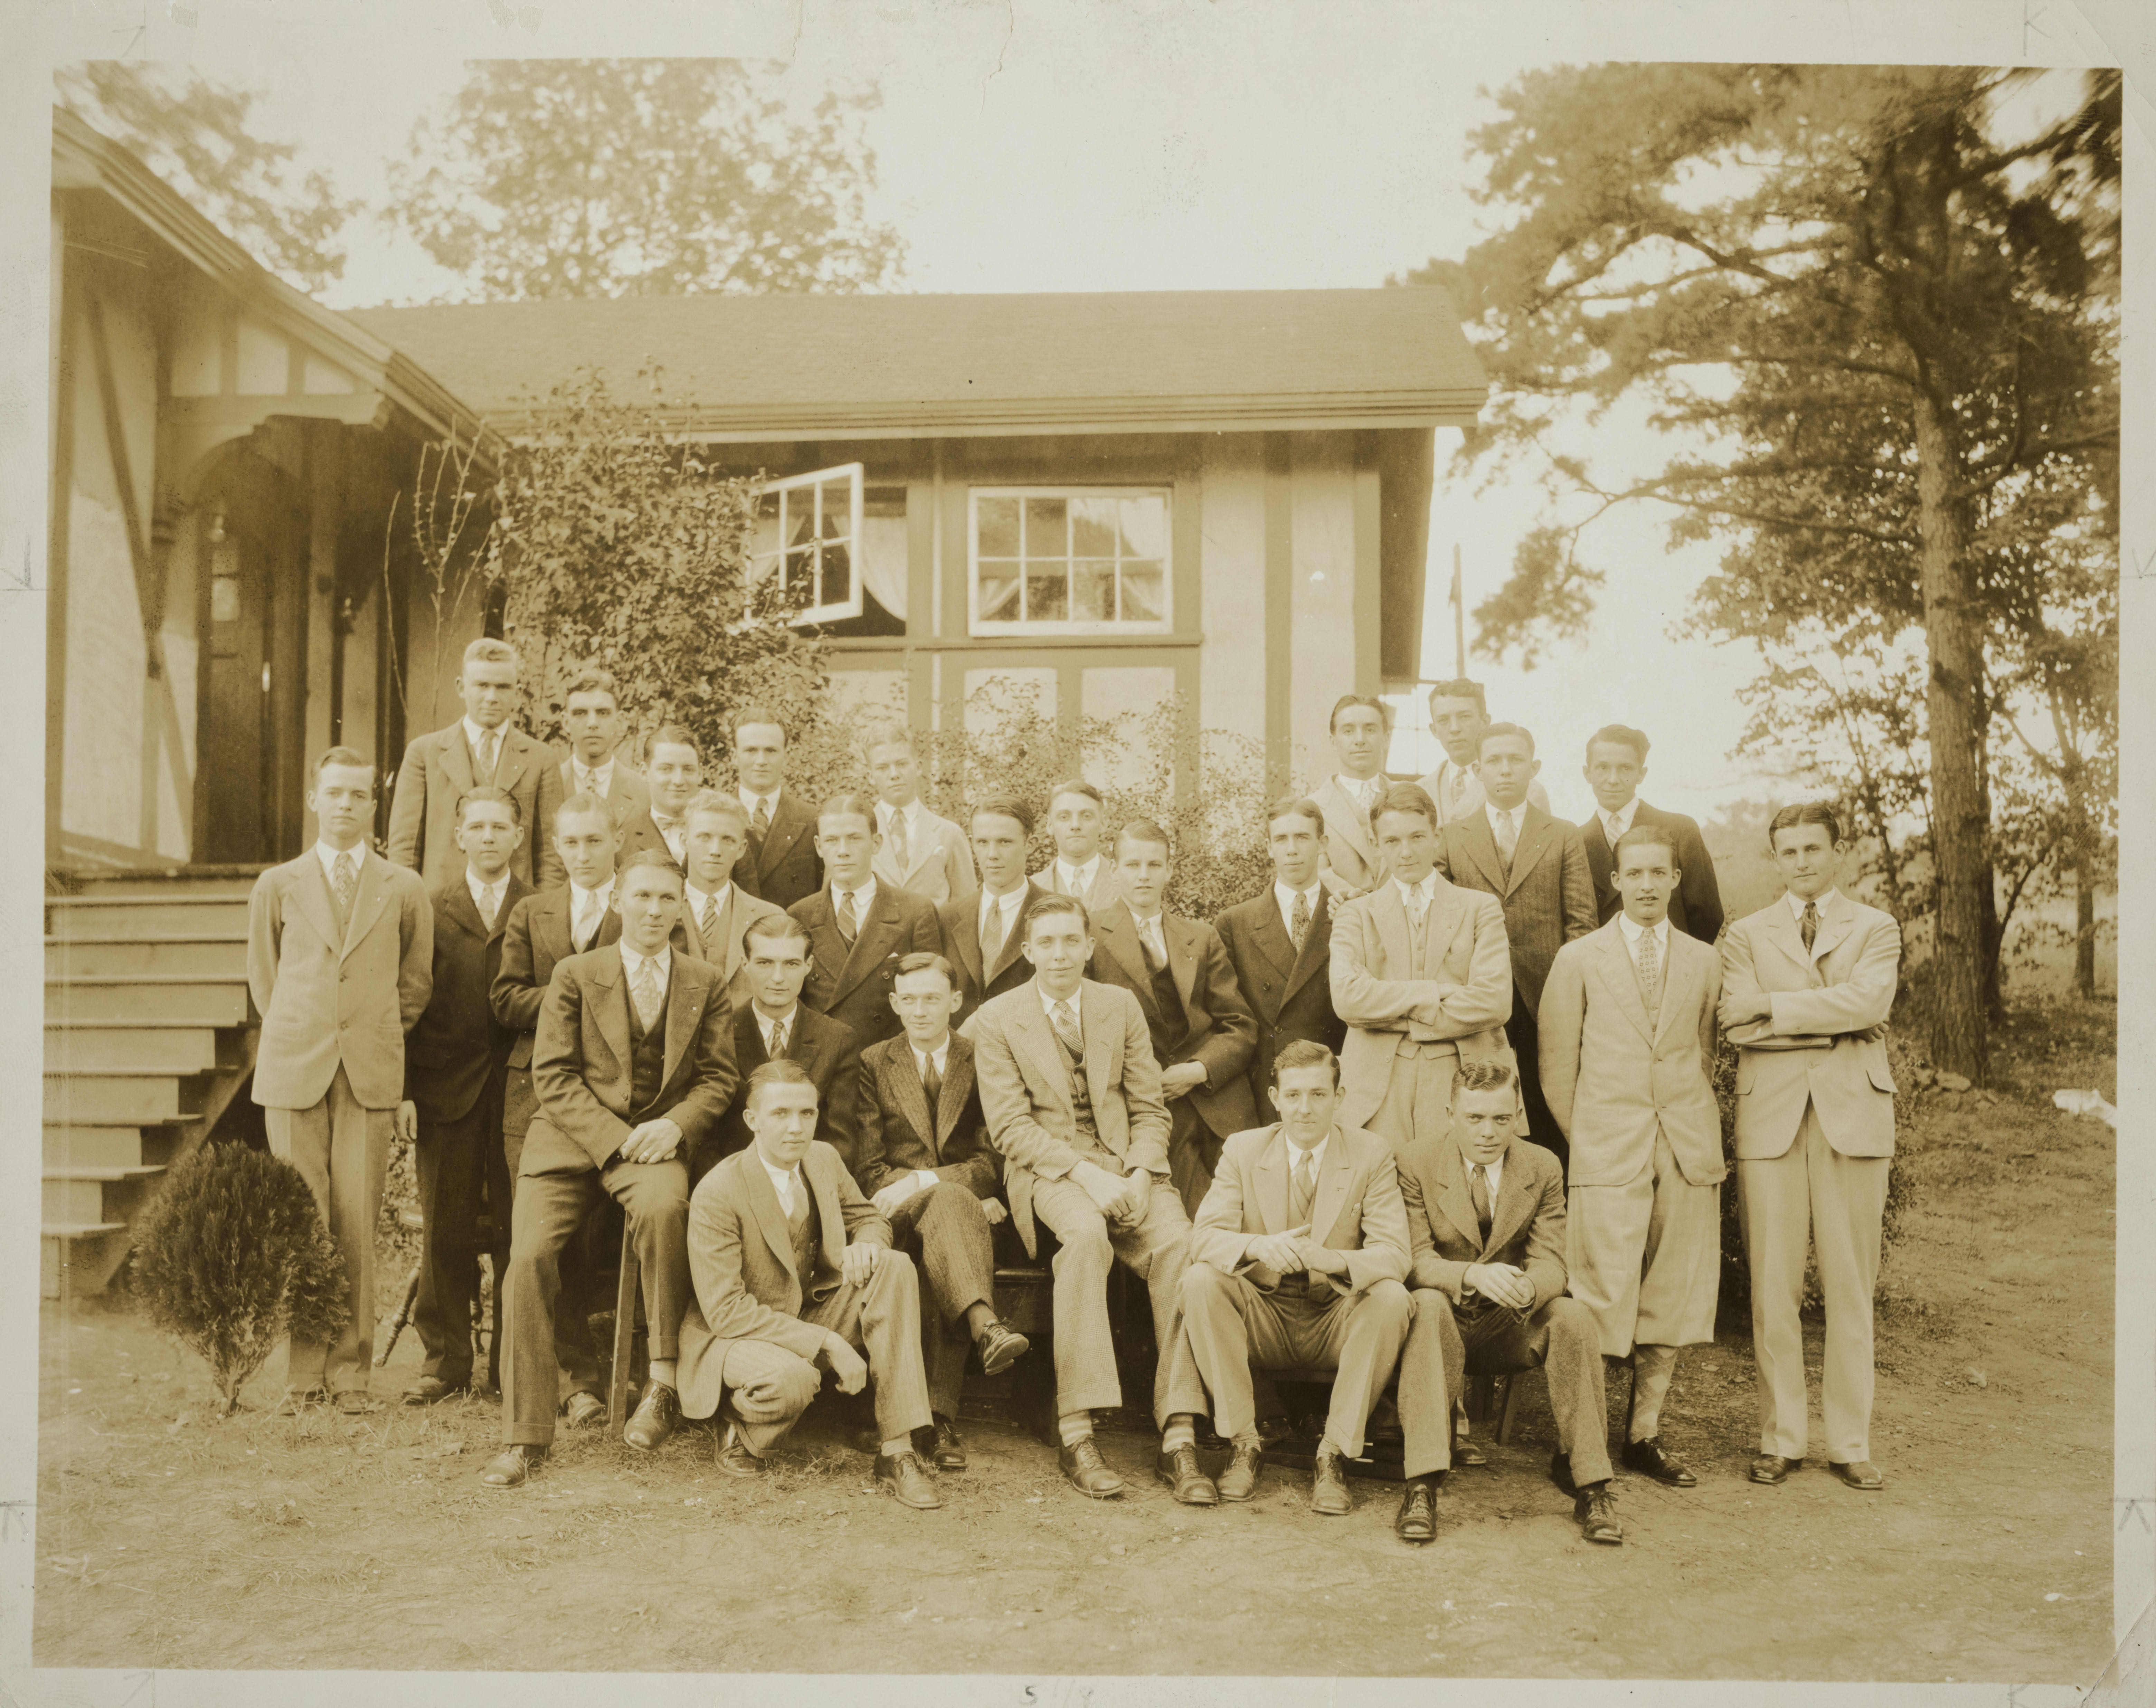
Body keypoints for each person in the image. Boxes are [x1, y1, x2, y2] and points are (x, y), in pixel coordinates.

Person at [481, 848, 739, 1489]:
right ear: (619, 900)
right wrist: (618, 1140)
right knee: (530, 1255)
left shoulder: (705, 979)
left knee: (664, 1209)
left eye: (666, 899)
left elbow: (719, 1076)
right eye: (643, 896)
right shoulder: (575, 972)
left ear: (681, 909)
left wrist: (675, 1125)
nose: (653, 910)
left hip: (656, 1142)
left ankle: (662, 1384)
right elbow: (553, 1075)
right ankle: (525, 1435)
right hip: (570, 1141)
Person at [966, 895, 1200, 1499]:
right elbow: (1012, 1128)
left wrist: (1144, 1173)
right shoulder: (998, 1018)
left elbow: (1150, 1107)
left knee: (1178, 1246)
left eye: (1072, 940)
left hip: (1128, 1165)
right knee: (1086, 1237)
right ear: (1027, 951)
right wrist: (1087, 1176)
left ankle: (1179, 1434)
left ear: (1090, 945)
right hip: (1048, 1170)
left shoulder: (1118, 1005)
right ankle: (1078, 1428)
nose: (1060, 954)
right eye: (1046, 942)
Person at [1720, 803, 1902, 1492]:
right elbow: (1736, 1024)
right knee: (1774, 1287)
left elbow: (1871, 1003)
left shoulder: (1876, 927)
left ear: (1840, 851)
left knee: (1851, 1284)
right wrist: (1833, 1022)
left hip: (1854, 1118)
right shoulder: (1745, 935)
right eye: (1788, 851)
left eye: (1813, 848)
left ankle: (1851, 1443)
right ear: (1775, 858)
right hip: (1771, 1120)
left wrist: (1776, 1008)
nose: (1801, 861)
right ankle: (1781, 1438)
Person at [1538, 823, 1725, 1488]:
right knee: (1597, 1292)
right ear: (1616, 882)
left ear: (1677, 879)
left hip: (1685, 1145)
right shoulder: (1580, 957)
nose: (1647, 885)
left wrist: (1678, 1120)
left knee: (1671, 1293)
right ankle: (1577, 1444)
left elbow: (1702, 1051)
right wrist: (1592, 1133)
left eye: (1660, 873)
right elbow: (1558, 1065)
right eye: (1634, 873)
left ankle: (1644, 1433)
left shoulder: (1705, 960)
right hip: (1607, 1148)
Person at [246, 747, 433, 1413]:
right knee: (305, 1220)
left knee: (357, 1219)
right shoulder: (278, 883)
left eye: (359, 794)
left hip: (369, 1072)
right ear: (313, 798)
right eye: (335, 792)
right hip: (296, 1065)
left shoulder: (403, 887)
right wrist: (307, 1029)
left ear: (374, 805)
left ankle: (351, 1372)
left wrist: (371, 1032)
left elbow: (414, 984)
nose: (347, 804)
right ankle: (303, 1374)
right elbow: (266, 980)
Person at [673, 1063, 944, 1507]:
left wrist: (868, 1244)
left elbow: (869, 1218)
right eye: (780, 1114)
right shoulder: (719, 1190)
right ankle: (735, 1419)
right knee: (792, 1381)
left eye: (807, 1113)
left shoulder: (822, 1159)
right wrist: (830, 1343)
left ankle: (897, 1451)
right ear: (752, 1121)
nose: (796, 1128)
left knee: (893, 1266)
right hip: (736, 1334)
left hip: (804, 1309)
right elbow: (725, 1311)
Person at [1162, 1042, 1415, 1516]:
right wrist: (1259, 1246)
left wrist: (1331, 1259)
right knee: (1200, 1280)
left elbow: (1396, 1253)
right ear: (1275, 1098)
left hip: (1334, 1318)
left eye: (1319, 1095)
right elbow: (1204, 1237)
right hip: (1266, 1317)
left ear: (1340, 1098)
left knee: (1392, 1298)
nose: (1306, 1109)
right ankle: (1245, 1442)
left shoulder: (1371, 1152)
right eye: (1294, 1095)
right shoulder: (1243, 1148)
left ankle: (1334, 1455)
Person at [1394, 1059, 1622, 1546]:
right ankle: (1422, 1484)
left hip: (1510, 1322)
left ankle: (1593, 1484)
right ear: (1450, 1112)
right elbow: (1413, 1260)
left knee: (1574, 1315)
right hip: (1444, 1324)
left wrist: (1530, 1287)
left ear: (1518, 1113)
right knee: (1429, 1305)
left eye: (1502, 1119)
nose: (1488, 1133)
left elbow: (1552, 1263)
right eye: (1474, 1118)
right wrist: (1472, 1275)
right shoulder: (1415, 1161)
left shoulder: (1541, 1166)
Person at [852, 952, 1031, 1470]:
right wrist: (932, 1189)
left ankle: (935, 1422)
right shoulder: (874, 1062)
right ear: (893, 1003)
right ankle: (985, 1330)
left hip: (963, 1219)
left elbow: (995, 1156)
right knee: (950, 1207)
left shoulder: (983, 1058)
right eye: (908, 1000)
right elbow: (869, 1169)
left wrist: (933, 1182)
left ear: (955, 1001)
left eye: (932, 998)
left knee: (941, 1245)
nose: (920, 1010)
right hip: (897, 1213)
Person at [489, 793, 622, 1429]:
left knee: (601, 1244)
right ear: (557, 846)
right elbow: (506, 998)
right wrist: (576, 990)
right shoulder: (532, 910)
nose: (582, 853)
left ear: (614, 841)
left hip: (616, 1099)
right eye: (571, 842)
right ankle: (570, 1383)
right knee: (542, 1243)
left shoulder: (640, 908)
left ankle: (620, 1369)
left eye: (594, 840)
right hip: (536, 1097)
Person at [399, 786, 532, 1403]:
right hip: (445, 1089)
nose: (487, 836)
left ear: (518, 834)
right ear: (458, 836)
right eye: (476, 826)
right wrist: (405, 1089)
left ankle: (510, 1362)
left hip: (518, 1093)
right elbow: (407, 1001)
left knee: (515, 1227)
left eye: (499, 826)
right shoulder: (429, 906)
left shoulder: (538, 909)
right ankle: (446, 1360)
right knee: (445, 1228)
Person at [1436, 722, 1597, 1174]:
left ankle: (1552, 1224)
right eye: (1494, 761)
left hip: (1549, 1000)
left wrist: (1573, 998)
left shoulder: (1564, 834)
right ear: (1478, 770)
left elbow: (1582, 925)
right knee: (1488, 1112)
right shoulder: (1451, 837)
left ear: (1534, 768)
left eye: (1516, 760)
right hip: (1480, 1002)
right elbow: (1441, 928)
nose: (1505, 770)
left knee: (1550, 1114)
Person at [1329, 783, 1513, 1153]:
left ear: (1437, 836)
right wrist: (1438, 992)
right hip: (1375, 1088)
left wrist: (1388, 1010)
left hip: (1462, 1078)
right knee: (1382, 1197)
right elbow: (1348, 1001)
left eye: (1417, 837)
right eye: (1393, 841)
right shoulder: (1355, 912)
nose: (1407, 852)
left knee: (1456, 1196)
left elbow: (1494, 1002)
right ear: (1375, 841)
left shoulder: (1481, 908)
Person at [1086, 819, 1258, 1213]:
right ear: (1114, 870)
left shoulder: (1201, 936)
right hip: (1144, 1111)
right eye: (1132, 865)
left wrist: (1198, 1070)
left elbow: (1240, 1025)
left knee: (1246, 1213)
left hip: (1216, 1102)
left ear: (1170, 870)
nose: (1143, 876)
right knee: (1180, 1220)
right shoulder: (1089, 933)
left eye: (1153, 865)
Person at [386, 637, 564, 890]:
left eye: (502, 687)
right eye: (482, 685)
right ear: (461, 687)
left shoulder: (541, 758)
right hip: (441, 910)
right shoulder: (424, 754)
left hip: (515, 913)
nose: (491, 697)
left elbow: (551, 858)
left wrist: (543, 918)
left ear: (518, 693)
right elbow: (404, 849)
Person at [1215, 794, 1350, 1117]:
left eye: (1303, 837)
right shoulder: (1235, 923)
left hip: (1329, 1081)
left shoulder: (1351, 914)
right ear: (1268, 847)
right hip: (1265, 1086)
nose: (1292, 849)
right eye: (1281, 839)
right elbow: (1228, 1019)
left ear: (1322, 843)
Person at [704, 913, 860, 1187]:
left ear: (809, 965)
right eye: (765, 963)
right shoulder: (719, 1031)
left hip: (810, 1186)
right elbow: (708, 1135)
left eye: (791, 964)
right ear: (745, 964)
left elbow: (840, 1141)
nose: (778, 978)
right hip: (733, 1185)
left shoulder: (837, 1039)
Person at [789, 792, 944, 1052]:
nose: (842, 851)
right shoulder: (799, 916)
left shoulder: (915, 912)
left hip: (892, 1059)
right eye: (832, 840)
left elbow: (930, 1000)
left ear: (876, 843)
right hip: (824, 1060)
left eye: (854, 839)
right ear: (818, 846)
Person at [1578, 724, 1724, 941]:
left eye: (1626, 769)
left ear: (1641, 774)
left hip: (1671, 966)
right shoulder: (1574, 841)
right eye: (1602, 768)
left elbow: (1708, 915)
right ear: (1587, 773)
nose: (1613, 779)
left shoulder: (1680, 830)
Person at [936, 794, 1051, 1018]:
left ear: (1030, 845)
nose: (992, 855)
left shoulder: (1058, 914)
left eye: (1005, 842)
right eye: (983, 842)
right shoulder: (946, 918)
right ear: (972, 844)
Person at [676, 789, 784, 1004]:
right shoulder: (657, 911)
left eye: (728, 840)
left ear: (742, 849)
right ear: (684, 841)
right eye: (704, 837)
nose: (715, 850)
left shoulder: (771, 918)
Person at [863, 721, 976, 905]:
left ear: (919, 766)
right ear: (870, 776)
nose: (894, 774)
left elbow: (966, 908)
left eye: (902, 764)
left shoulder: (949, 834)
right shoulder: (859, 834)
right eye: (883, 768)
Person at [1413, 678, 1551, 825]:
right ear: (1434, 730)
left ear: (1485, 722)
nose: (1454, 729)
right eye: (1443, 720)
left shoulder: (1530, 790)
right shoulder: (1419, 790)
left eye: (1465, 717)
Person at [733, 706, 823, 909]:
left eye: (771, 751)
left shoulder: (812, 820)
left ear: (787, 755)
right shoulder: (715, 818)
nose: (761, 761)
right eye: (751, 750)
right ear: (734, 756)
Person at [1306, 694, 1390, 896]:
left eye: (1370, 730)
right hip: (1339, 917)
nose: (1360, 740)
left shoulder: (1409, 797)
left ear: (1385, 739)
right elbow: (1317, 873)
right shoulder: (1312, 808)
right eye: (1349, 731)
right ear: (1334, 741)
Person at [555, 665, 652, 833]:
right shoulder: (549, 787)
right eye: (580, 713)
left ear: (620, 721)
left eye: (603, 713)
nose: (592, 723)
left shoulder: (644, 792)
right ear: (566, 722)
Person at [616, 723, 702, 872]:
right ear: (644, 772)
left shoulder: (722, 832)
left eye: (688, 769)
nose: (679, 780)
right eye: (666, 769)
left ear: (700, 773)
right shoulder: (623, 842)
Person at [1034, 778, 1120, 916]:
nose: (1075, 825)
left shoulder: (1125, 883)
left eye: (1086, 816)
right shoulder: (1031, 887)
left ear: (1103, 824)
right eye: (1064, 817)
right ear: (1050, 826)